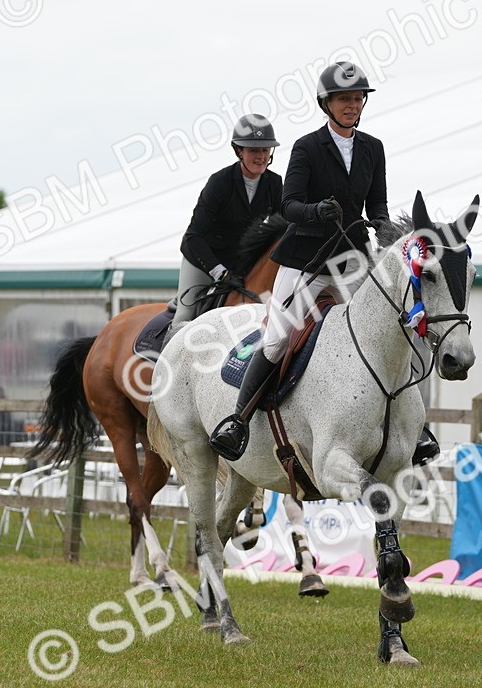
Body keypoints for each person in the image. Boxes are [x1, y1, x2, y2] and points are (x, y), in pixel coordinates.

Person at [209, 62, 439, 466]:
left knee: (391, 330)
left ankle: (413, 429)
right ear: (326, 104)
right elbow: (289, 205)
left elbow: (378, 205)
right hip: (306, 260)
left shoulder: (373, 148)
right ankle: (238, 421)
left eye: (358, 98)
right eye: (344, 99)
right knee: (278, 338)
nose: (352, 105)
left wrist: (384, 230)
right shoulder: (307, 147)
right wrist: (316, 211)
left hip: (352, 259)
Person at [166, 113, 283, 342]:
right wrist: (220, 272)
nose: (261, 156)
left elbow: (281, 228)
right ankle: (166, 356)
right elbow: (194, 236)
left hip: (242, 265)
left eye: (265, 150)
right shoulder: (220, 182)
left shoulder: (274, 183)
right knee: (185, 315)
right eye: (253, 150)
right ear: (239, 150)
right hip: (205, 259)